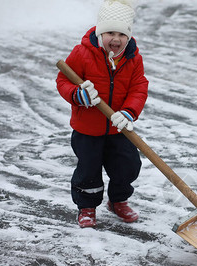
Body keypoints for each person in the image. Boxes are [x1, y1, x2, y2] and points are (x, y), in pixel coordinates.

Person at [56, 0, 149, 228]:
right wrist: (77, 95)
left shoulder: (133, 58)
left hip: (119, 127)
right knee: (88, 170)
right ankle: (87, 207)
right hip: (87, 129)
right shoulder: (82, 53)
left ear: (128, 36)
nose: (115, 39)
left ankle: (118, 201)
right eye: (110, 33)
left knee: (128, 166)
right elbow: (63, 80)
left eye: (121, 34)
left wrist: (128, 113)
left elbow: (139, 87)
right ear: (100, 32)